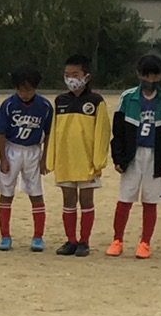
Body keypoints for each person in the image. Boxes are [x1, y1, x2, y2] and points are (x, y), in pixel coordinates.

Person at [107, 52, 161, 259]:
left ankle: (145, 242)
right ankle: (117, 239)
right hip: (132, 156)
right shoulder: (128, 97)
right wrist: (118, 157)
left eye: (155, 77)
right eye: (146, 76)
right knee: (125, 199)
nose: (150, 81)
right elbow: (117, 130)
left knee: (150, 201)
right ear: (139, 74)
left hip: (155, 156)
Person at [47, 54, 113, 256]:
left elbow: (102, 132)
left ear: (86, 76)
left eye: (75, 74)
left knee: (86, 201)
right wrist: (51, 158)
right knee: (68, 201)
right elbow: (54, 130)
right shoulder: (60, 101)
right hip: (65, 160)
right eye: (67, 75)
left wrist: (99, 161)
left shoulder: (96, 101)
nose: (70, 79)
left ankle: (84, 241)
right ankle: (71, 240)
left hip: (87, 162)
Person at [0, 66, 53, 252]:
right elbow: (1, 132)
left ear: (36, 87)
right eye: (20, 89)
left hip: (33, 151)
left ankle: (38, 236)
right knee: (6, 193)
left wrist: (45, 158)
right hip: (12, 150)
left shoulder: (44, 106)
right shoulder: (9, 104)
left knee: (36, 194)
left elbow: (49, 133)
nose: (24, 93)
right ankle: (5, 236)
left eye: (28, 89)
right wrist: (3, 158)